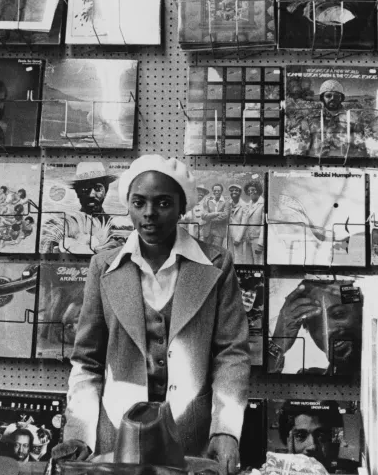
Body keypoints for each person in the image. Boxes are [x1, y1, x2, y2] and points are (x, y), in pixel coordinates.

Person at [56, 154, 249, 475]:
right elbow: (87, 361)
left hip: (192, 435)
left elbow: (232, 353)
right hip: (117, 436)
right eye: (139, 202)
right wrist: (78, 433)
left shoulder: (217, 264)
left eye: (163, 203)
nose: (149, 213)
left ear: (182, 206)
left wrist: (225, 429)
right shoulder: (103, 267)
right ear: (128, 205)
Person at [268, 280, 362, 376]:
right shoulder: (308, 381)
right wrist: (278, 344)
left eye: (338, 314)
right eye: (316, 323)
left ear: (360, 312)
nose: (328, 330)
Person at [277, 401, 359, 473]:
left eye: (321, 435)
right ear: (289, 440)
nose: (312, 446)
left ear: (336, 439)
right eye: (300, 435)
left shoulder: (355, 471)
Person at [237, 180, 264, 265]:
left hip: (257, 240)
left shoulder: (263, 204)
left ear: (258, 190)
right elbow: (244, 223)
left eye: (253, 190)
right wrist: (238, 238)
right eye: (249, 191)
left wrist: (260, 243)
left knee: (258, 264)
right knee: (248, 263)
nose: (251, 192)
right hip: (247, 239)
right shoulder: (248, 205)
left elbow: (264, 225)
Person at [201, 183, 231, 248]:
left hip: (219, 231)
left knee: (217, 251)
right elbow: (203, 215)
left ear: (221, 191)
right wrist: (217, 213)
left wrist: (210, 218)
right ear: (212, 191)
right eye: (215, 190)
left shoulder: (226, 201)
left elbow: (225, 215)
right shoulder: (207, 200)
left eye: (218, 191)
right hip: (207, 230)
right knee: (206, 250)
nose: (216, 192)